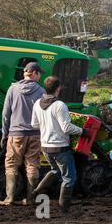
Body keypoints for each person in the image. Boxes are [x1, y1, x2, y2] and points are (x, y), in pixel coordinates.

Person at [30, 75, 88, 213]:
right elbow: (66, 128)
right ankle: (64, 208)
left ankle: (36, 192)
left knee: (55, 170)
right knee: (69, 177)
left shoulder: (37, 103)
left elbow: (34, 124)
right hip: (60, 147)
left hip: (45, 146)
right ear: (58, 88)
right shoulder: (59, 105)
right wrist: (83, 131)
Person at [0, 62, 46, 206]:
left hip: (16, 133)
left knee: (11, 164)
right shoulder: (41, 91)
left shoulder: (12, 90)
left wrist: (4, 134)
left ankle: (10, 198)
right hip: (35, 133)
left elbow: (6, 114)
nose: (40, 77)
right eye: (39, 74)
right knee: (32, 165)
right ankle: (30, 199)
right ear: (34, 73)